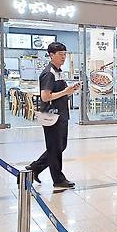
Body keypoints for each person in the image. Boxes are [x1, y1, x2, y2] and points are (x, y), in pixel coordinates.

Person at [26, 42, 80, 188]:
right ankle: (58, 179)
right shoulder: (49, 73)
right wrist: (66, 92)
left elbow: (59, 92)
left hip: (60, 114)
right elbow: (45, 96)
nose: (64, 57)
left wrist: (70, 90)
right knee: (55, 147)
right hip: (52, 116)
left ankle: (35, 168)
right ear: (51, 55)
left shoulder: (58, 71)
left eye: (65, 54)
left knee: (59, 146)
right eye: (60, 54)